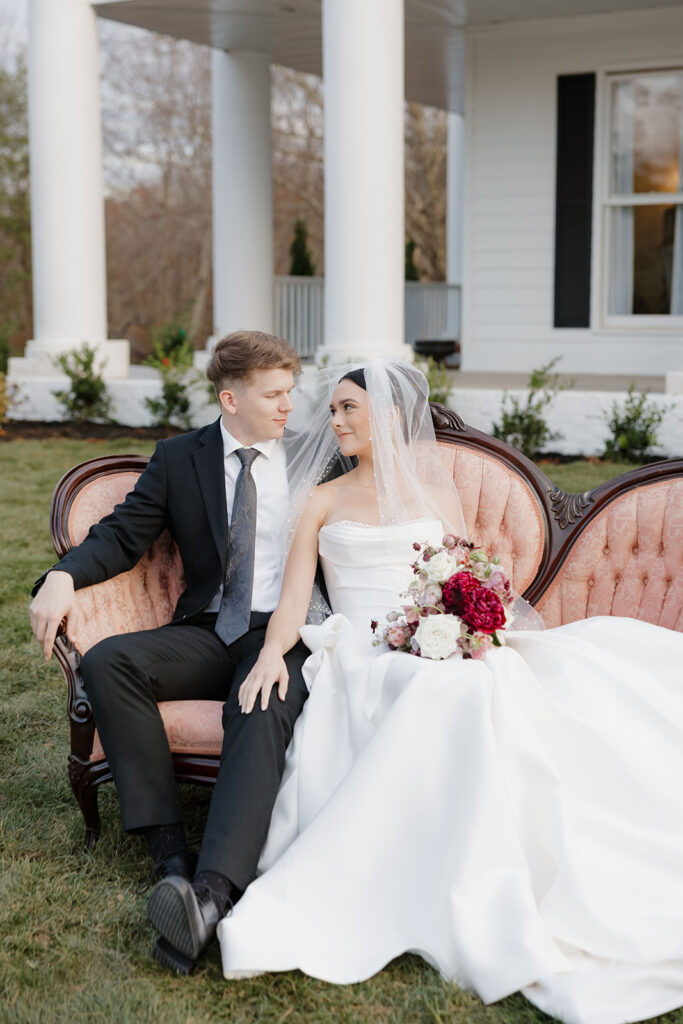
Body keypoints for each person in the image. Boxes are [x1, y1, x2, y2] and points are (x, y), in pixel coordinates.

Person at [217, 358, 683, 1024]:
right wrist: (269, 655)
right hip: (362, 649)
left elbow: (467, 578)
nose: (336, 421)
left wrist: (466, 625)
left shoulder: (436, 496)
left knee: (482, 682)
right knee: (450, 691)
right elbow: (294, 599)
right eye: (335, 409)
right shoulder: (322, 499)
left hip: (439, 636)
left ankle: (495, 869)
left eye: (350, 409)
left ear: (385, 418)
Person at [29, 330, 339, 976]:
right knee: (109, 661)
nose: (289, 405)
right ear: (230, 398)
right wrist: (63, 575)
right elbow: (122, 535)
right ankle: (169, 854)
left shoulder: (317, 456)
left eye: (291, 391)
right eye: (273, 393)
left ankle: (213, 891)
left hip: (282, 631)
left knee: (262, 700)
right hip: (207, 629)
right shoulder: (179, 458)